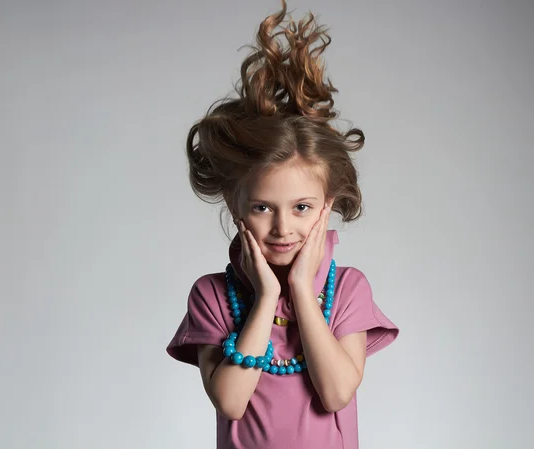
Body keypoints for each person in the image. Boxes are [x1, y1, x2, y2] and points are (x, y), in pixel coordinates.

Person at [166, 1, 399, 447]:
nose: (282, 228)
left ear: (326, 207)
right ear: (235, 205)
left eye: (302, 208)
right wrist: (266, 295)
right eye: (262, 208)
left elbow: (335, 393)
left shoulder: (347, 289)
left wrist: (299, 291)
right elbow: (230, 401)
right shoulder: (213, 296)